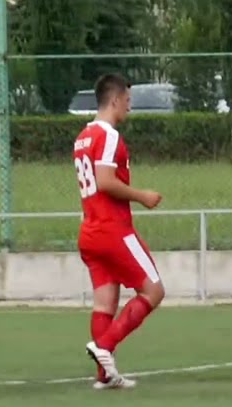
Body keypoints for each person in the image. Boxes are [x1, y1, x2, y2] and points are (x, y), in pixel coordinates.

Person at [73, 73, 164, 390]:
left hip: (90, 231)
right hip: (113, 230)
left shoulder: (83, 137)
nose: (129, 106)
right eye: (127, 100)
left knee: (105, 303)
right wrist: (143, 196)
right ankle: (105, 346)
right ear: (114, 100)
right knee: (154, 291)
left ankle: (105, 375)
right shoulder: (108, 136)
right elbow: (106, 181)